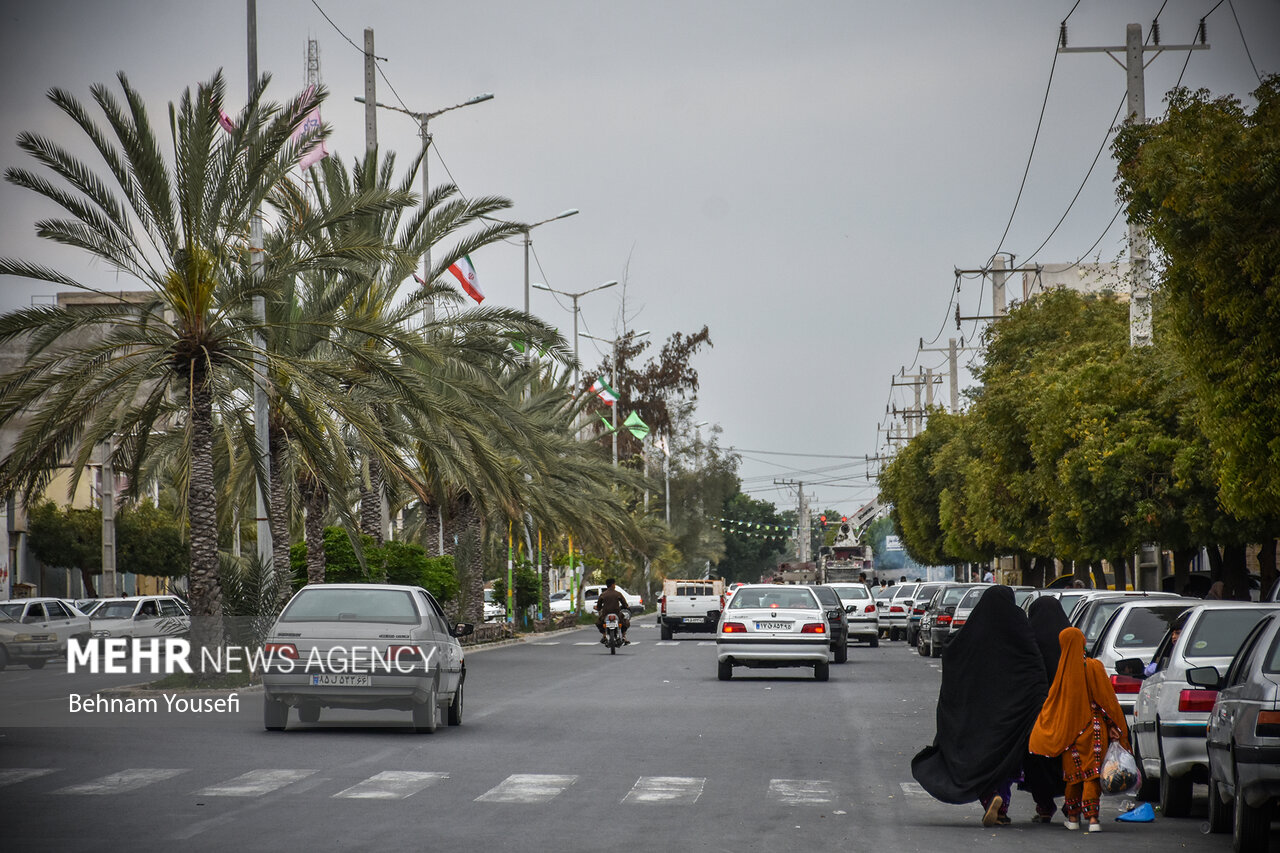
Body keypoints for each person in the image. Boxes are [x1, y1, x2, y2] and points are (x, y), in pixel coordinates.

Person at [911, 586, 1049, 827]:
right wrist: (1035, 702)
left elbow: (954, 656)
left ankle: (991, 799)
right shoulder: (1018, 626)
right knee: (1006, 759)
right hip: (1012, 715)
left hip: (978, 715)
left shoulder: (973, 630)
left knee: (980, 758)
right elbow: (1034, 667)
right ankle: (1002, 807)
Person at [1028, 627, 1130, 833]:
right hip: (1094, 729)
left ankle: (1073, 818)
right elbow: (1107, 702)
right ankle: (1093, 819)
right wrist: (1114, 726)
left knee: (1073, 776)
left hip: (1070, 732)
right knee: (1092, 775)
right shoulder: (1093, 667)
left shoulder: (1062, 673)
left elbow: (1053, 705)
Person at [1019, 597, 1070, 823]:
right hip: (1067, 712)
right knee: (1070, 758)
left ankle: (1045, 806)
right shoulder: (1069, 639)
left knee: (1037, 759)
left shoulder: (1029, 640)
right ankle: (1073, 801)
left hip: (1038, 712)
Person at [594, 578, 630, 644]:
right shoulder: (618, 594)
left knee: (598, 623)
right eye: (614, 584)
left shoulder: (603, 594)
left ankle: (604, 635)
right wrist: (626, 607)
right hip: (617, 614)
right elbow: (625, 604)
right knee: (625, 622)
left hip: (605, 614)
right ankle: (624, 636)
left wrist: (598, 608)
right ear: (613, 584)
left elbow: (599, 607)